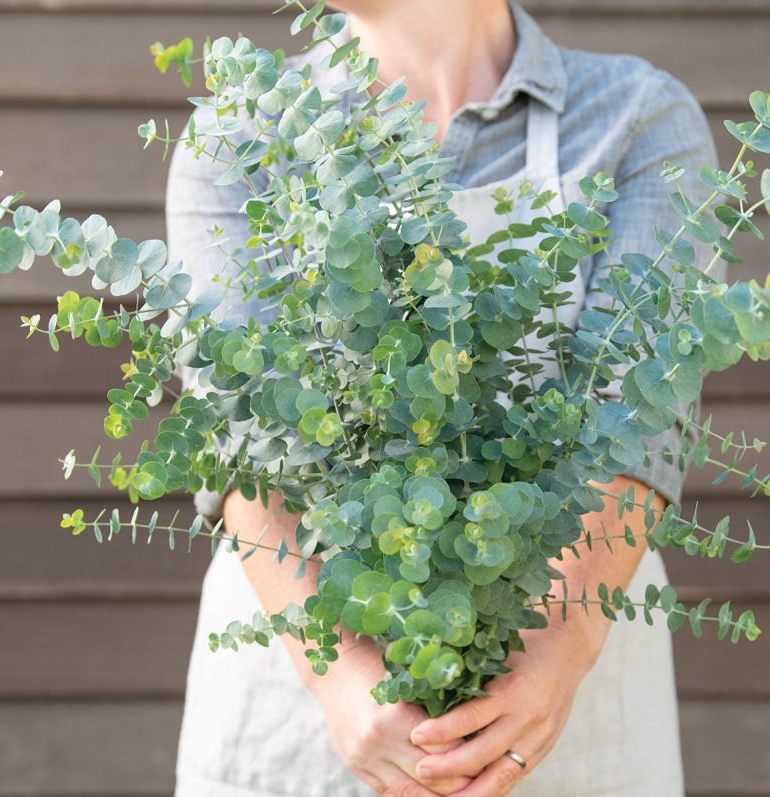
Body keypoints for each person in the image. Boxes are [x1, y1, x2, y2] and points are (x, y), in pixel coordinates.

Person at [165, 1, 719, 794]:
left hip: (563, 699)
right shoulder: (243, 131)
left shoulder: (635, 119)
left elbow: (637, 421)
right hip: (306, 699)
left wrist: (552, 654)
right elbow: (242, 440)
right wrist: (344, 676)